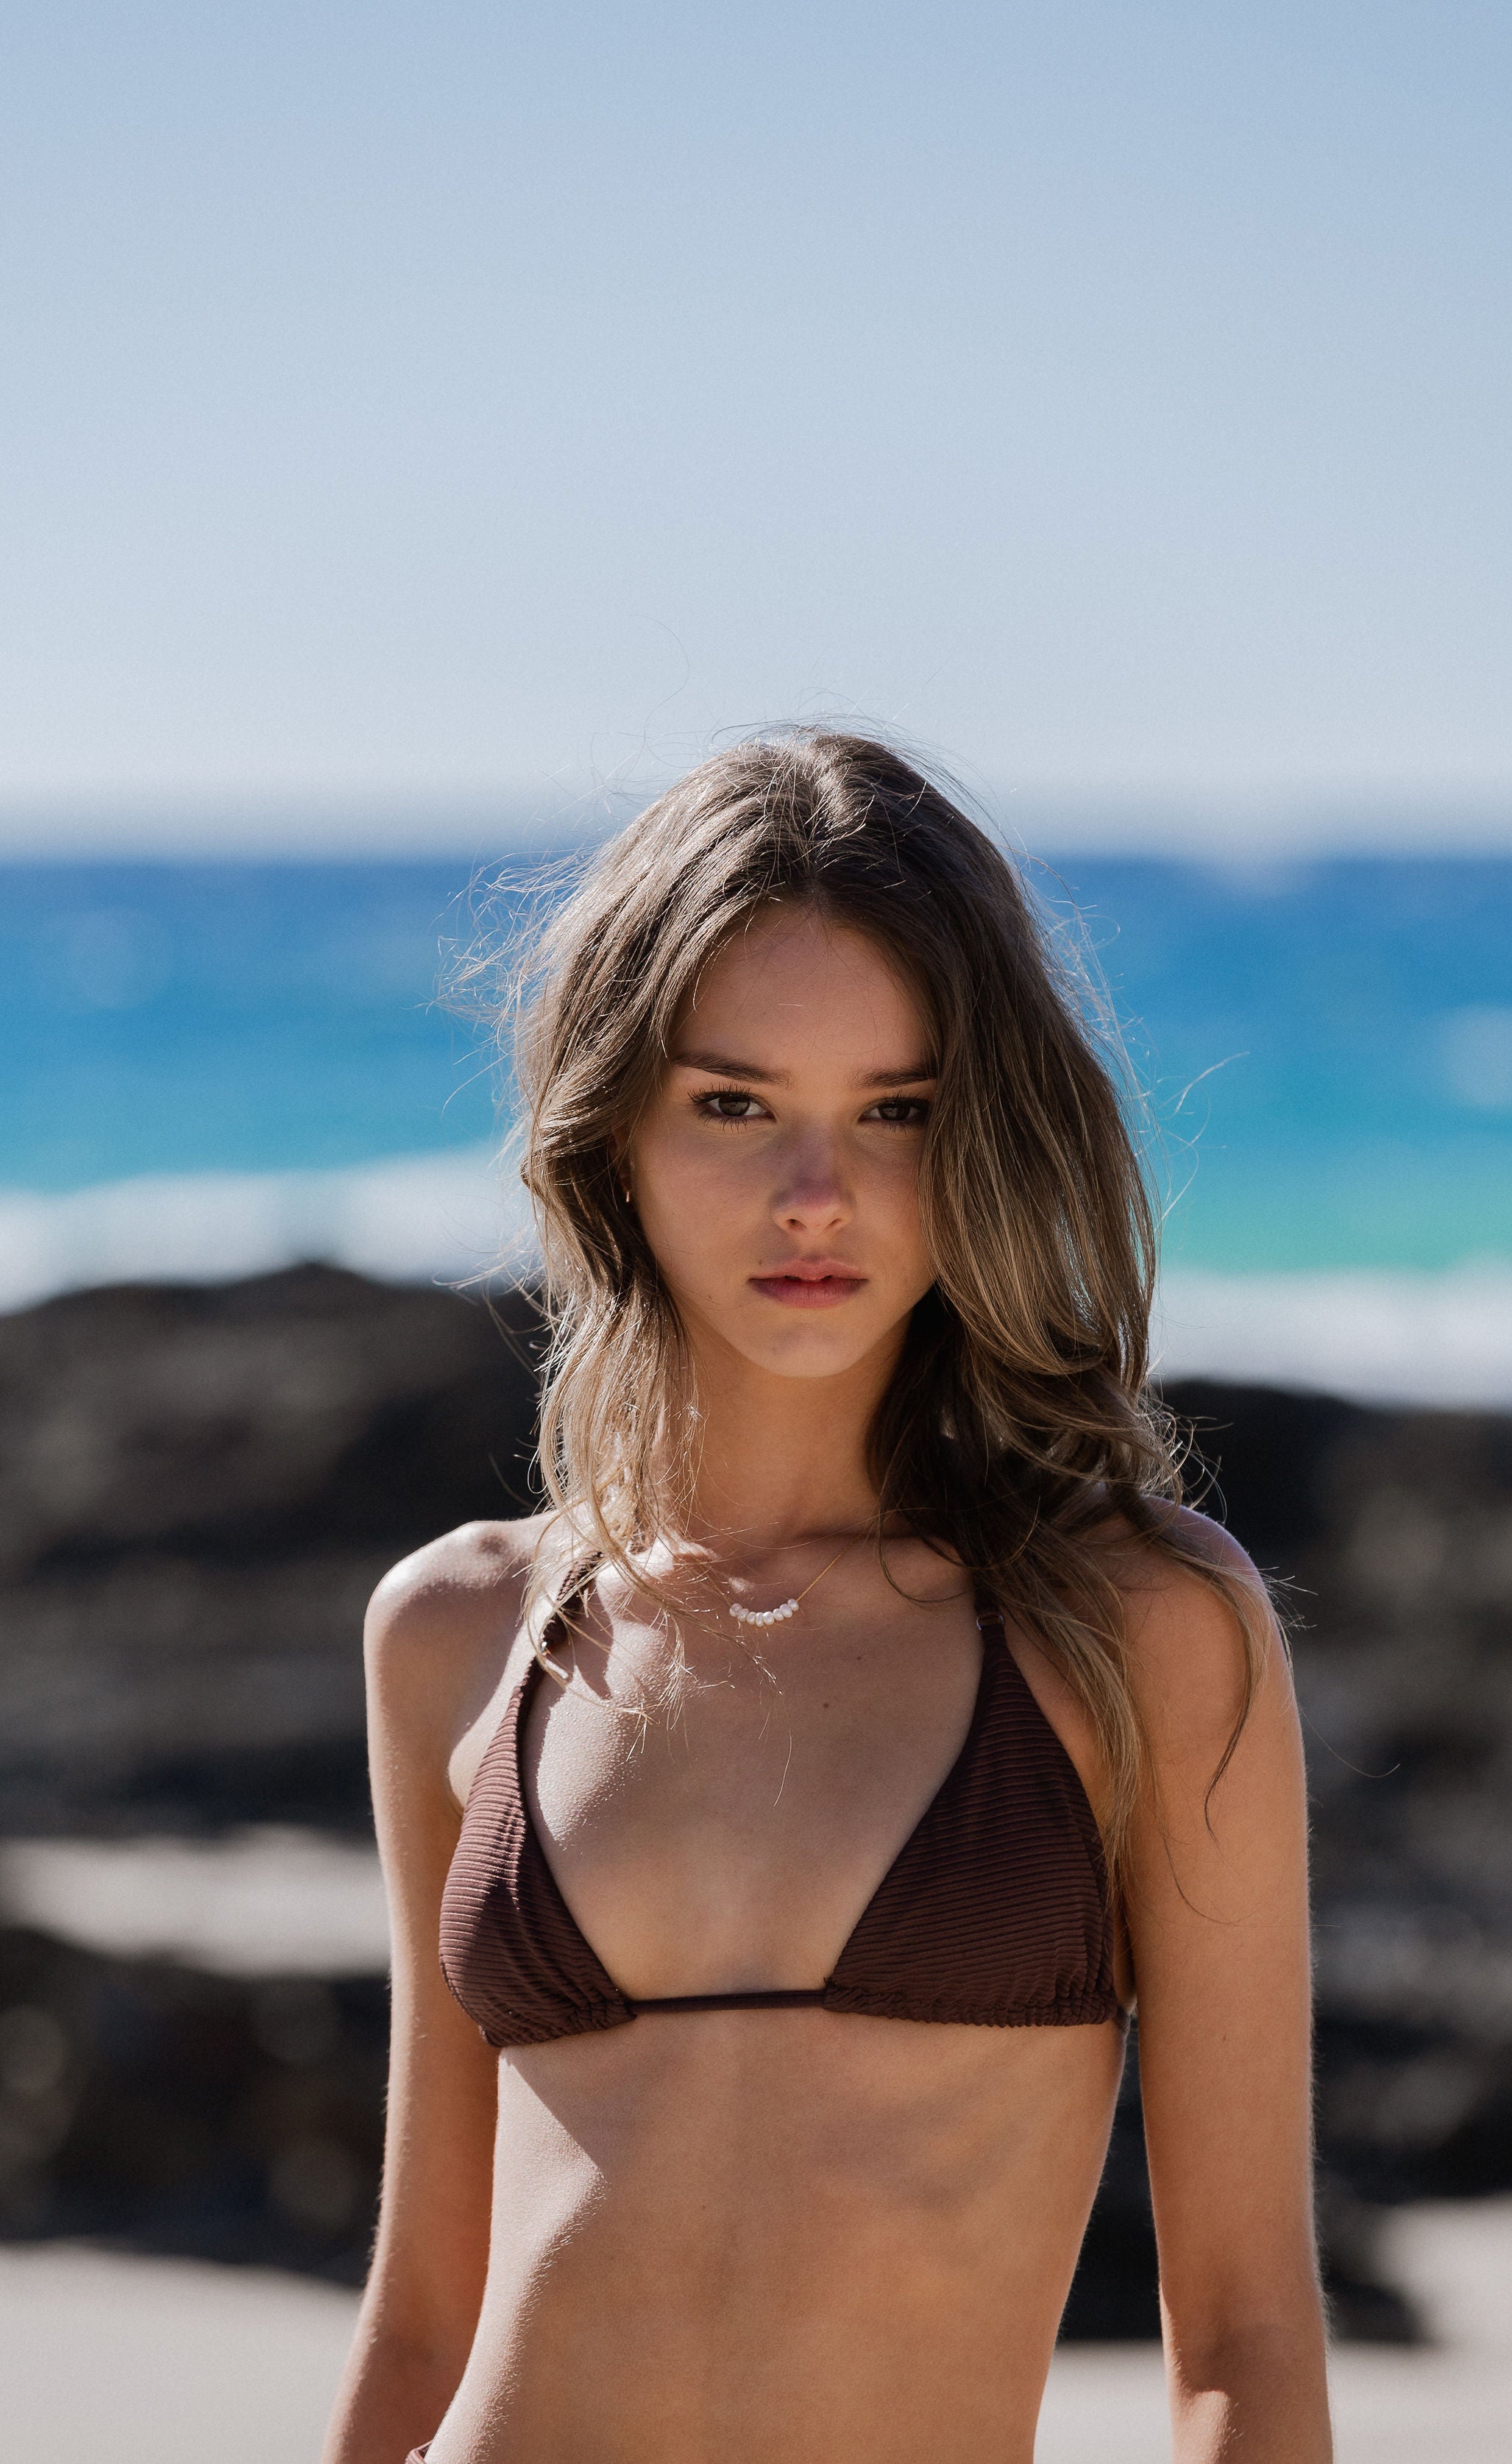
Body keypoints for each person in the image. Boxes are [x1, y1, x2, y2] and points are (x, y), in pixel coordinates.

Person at [321, 731, 1331, 2464]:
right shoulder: (459, 1635)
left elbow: (1239, 2325)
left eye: (897, 1112)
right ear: (613, 1130)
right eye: (735, 1104)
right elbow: (424, 2314)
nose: (817, 1195)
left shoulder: (1138, 1624)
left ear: (984, 1138)